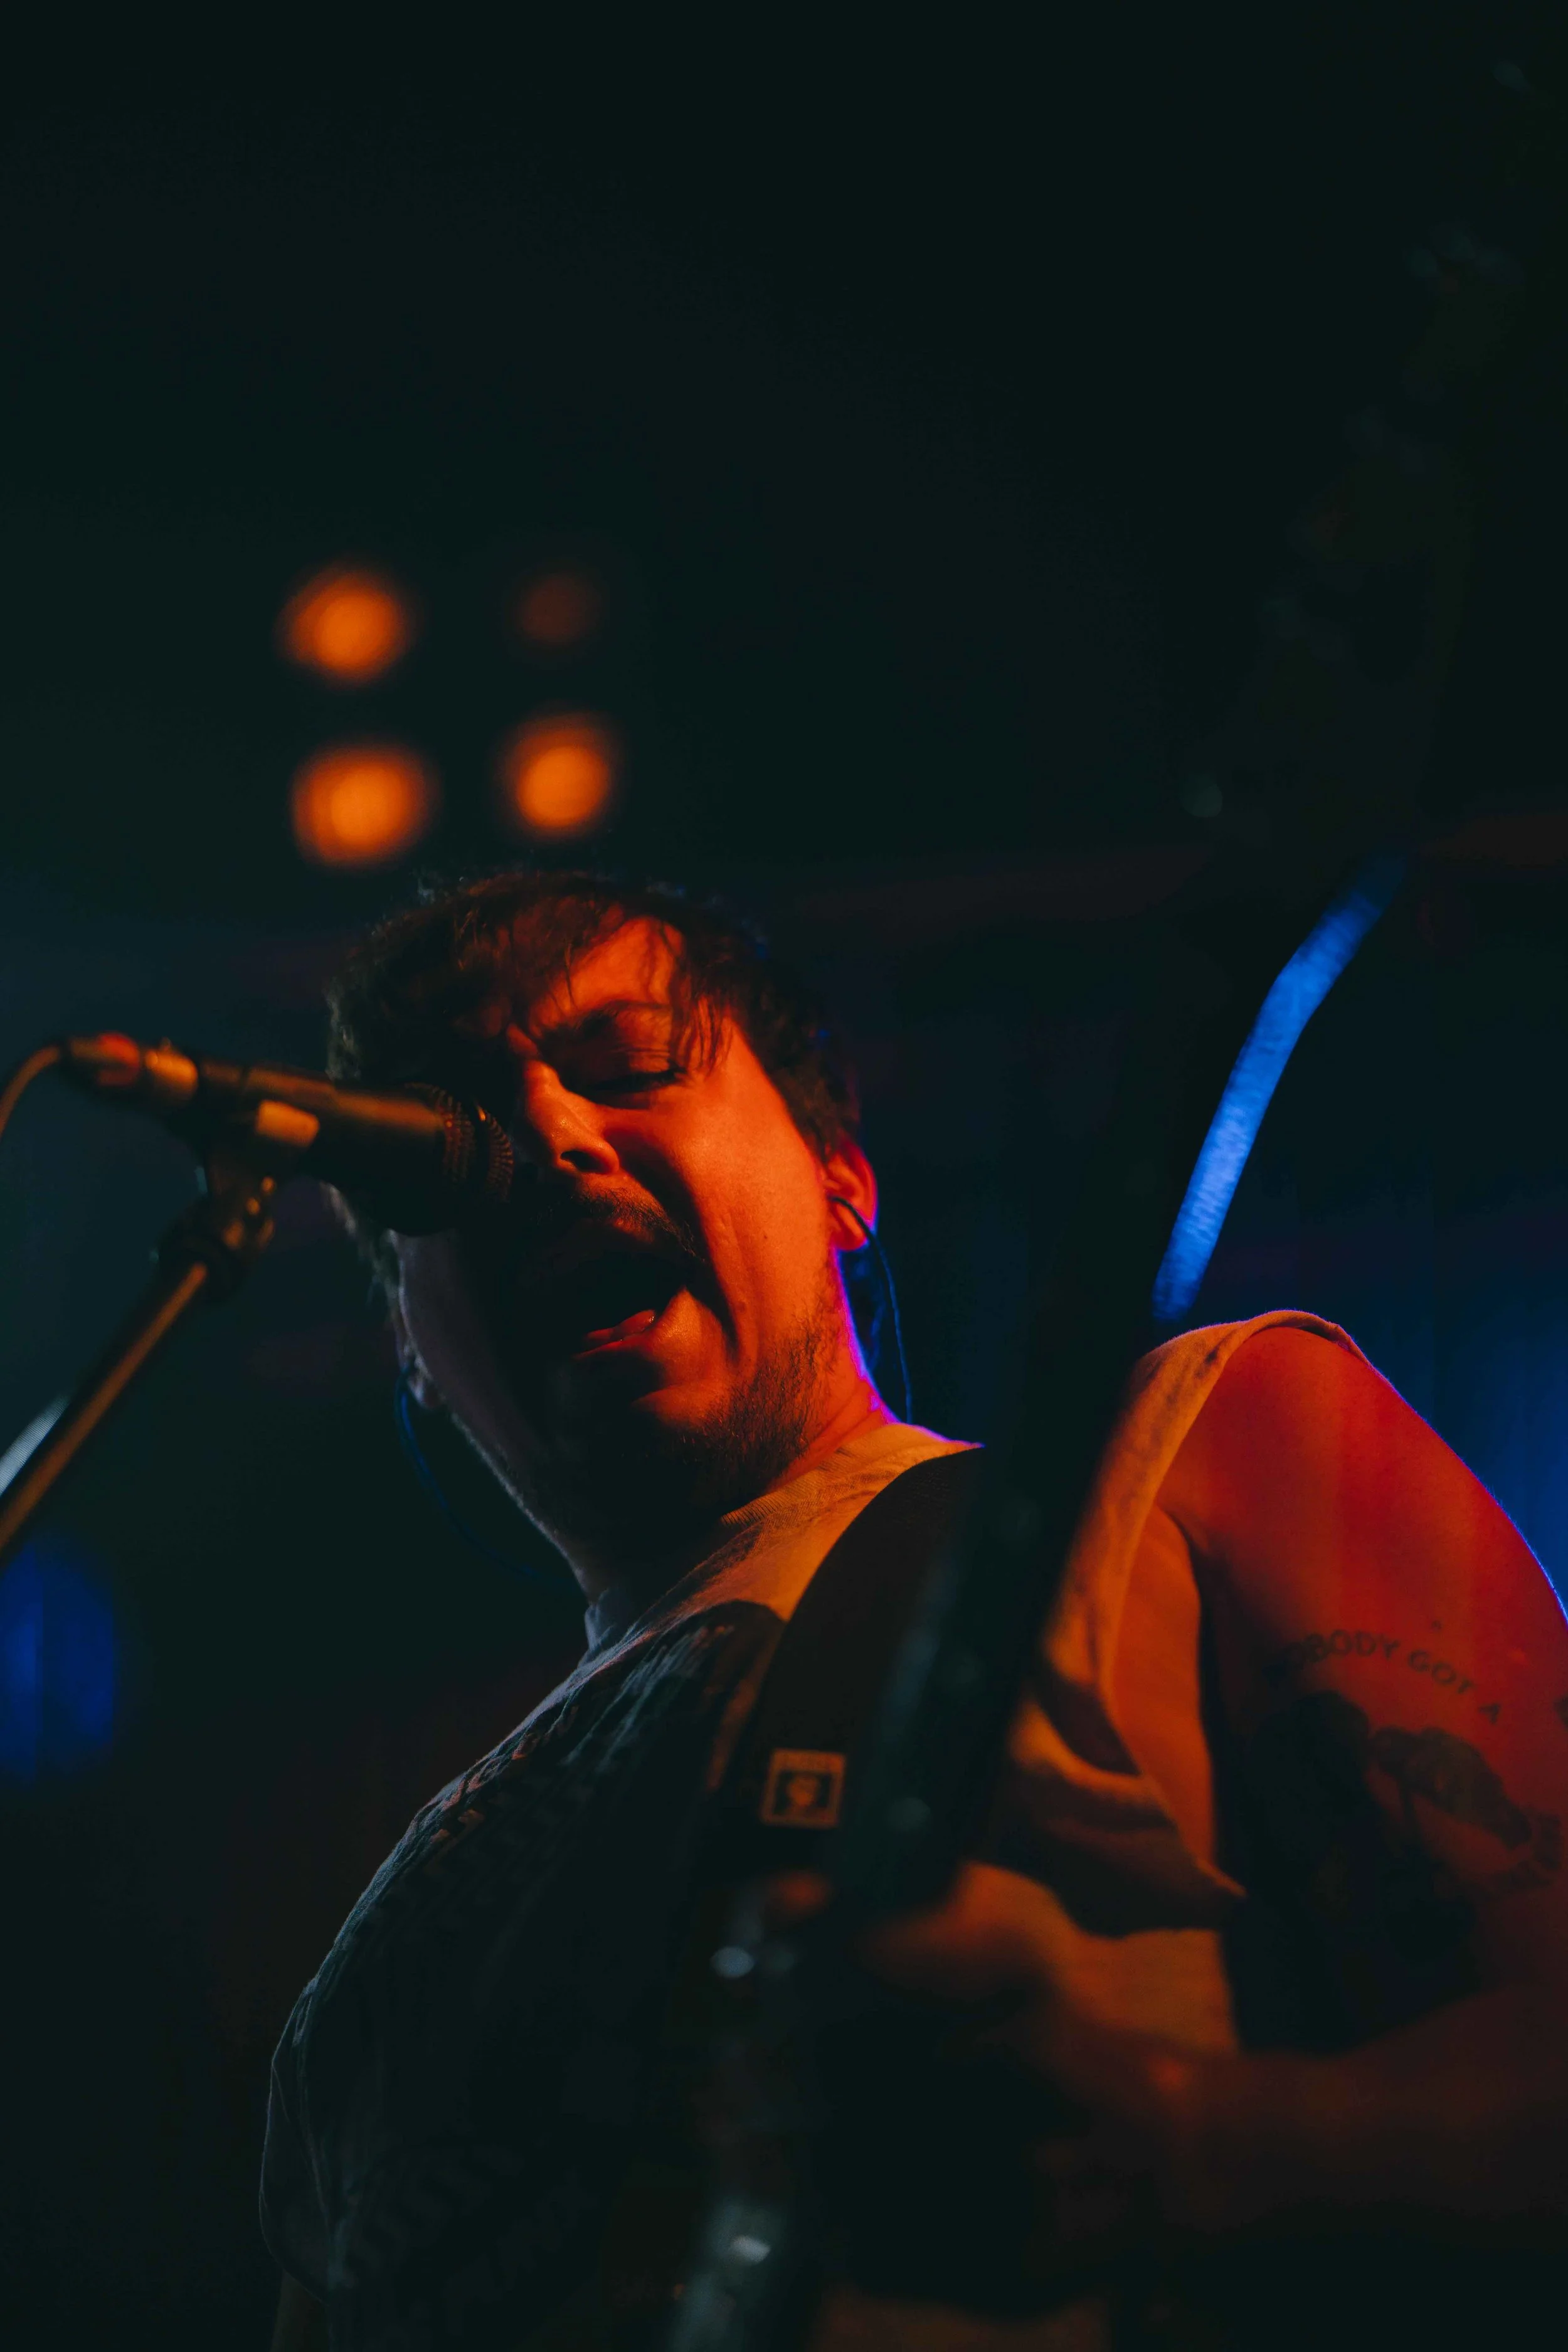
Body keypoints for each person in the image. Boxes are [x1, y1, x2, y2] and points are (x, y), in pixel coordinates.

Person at [263, 868, 1568, 2352]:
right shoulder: (360, 1973)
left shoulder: (1198, 1448)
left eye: (626, 1071)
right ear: (408, 1342)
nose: (543, 1141)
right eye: (448, 1144)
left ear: (839, 1176)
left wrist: (1175, 2144)